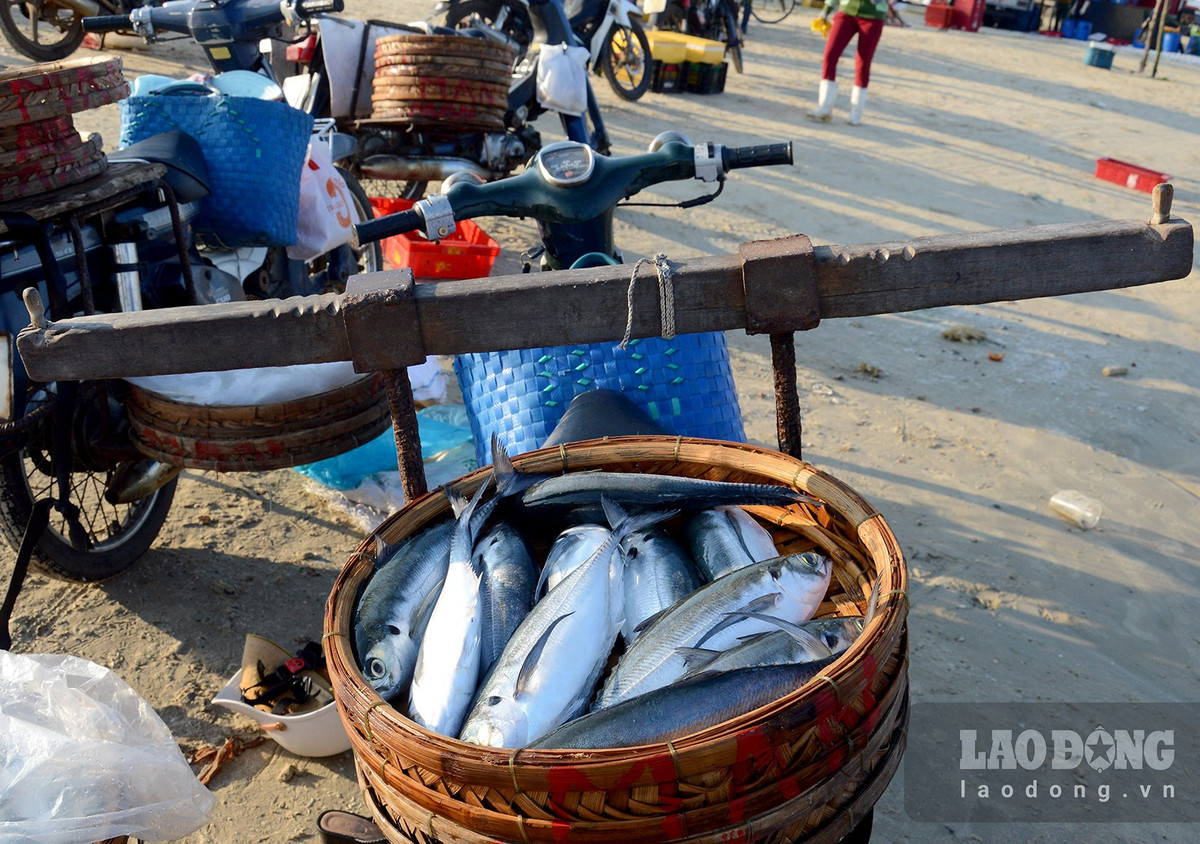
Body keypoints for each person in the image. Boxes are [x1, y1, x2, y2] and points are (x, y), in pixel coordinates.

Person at [807, 0, 889, 125]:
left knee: (863, 63)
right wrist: (826, 9)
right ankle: (825, 107)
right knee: (830, 55)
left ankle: (856, 114)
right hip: (846, 11)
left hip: (873, 15)